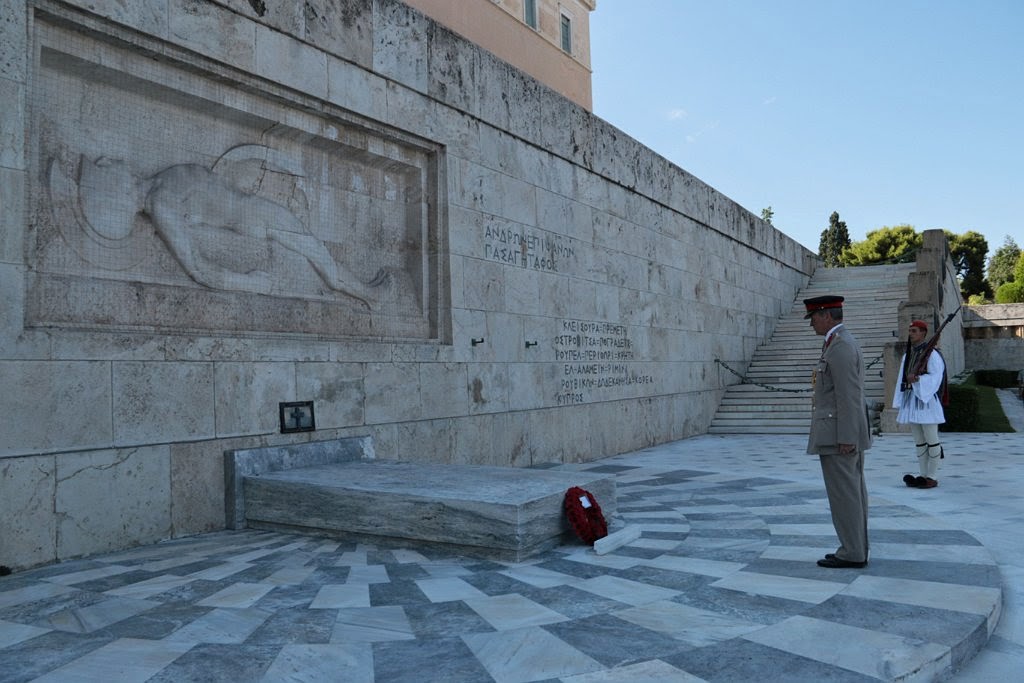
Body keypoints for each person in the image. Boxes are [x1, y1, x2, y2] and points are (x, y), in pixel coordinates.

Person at [805, 295, 872, 569]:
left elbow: (849, 396)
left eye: (813, 318)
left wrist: (847, 437)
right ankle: (855, 548)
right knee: (851, 494)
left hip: (838, 435)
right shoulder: (836, 342)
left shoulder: (841, 346)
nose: (811, 325)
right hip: (839, 431)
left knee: (845, 495)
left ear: (826, 316)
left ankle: (852, 551)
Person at [892, 320, 946, 489]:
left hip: (926, 401)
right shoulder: (908, 354)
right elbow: (902, 376)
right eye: (910, 331)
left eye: (914, 331)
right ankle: (922, 475)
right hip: (912, 401)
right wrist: (900, 399)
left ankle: (932, 475)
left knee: (932, 439)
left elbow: (936, 377)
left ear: (923, 333)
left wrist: (919, 380)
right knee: (919, 441)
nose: (911, 333)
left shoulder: (932, 355)